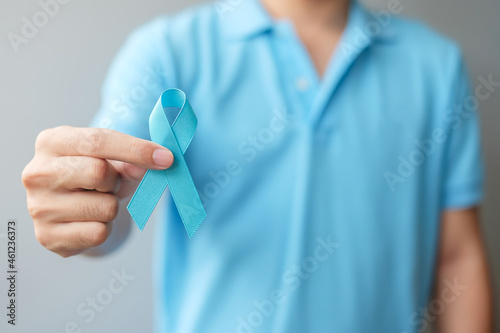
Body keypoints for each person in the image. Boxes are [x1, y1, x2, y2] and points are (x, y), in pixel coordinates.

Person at [22, 0, 493, 332]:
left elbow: (457, 257)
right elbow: (115, 190)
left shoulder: (436, 67)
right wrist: (82, 202)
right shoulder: (167, 51)